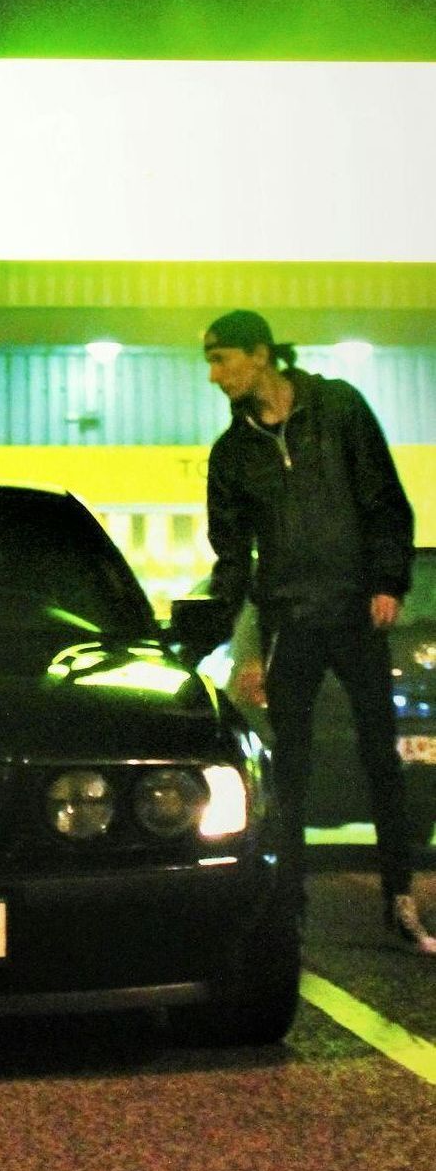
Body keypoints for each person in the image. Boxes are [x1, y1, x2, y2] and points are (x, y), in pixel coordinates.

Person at [201, 307, 435, 955]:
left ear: (260, 354)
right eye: (210, 364)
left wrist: (388, 582)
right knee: (291, 772)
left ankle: (400, 899)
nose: (215, 376)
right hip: (291, 622)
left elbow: (385, 498)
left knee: (380, 760)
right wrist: (212, 634)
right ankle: (290, 908)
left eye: (223, 360)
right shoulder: (232, 455)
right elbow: (231, 557)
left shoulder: (338, 410)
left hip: (355, 613)